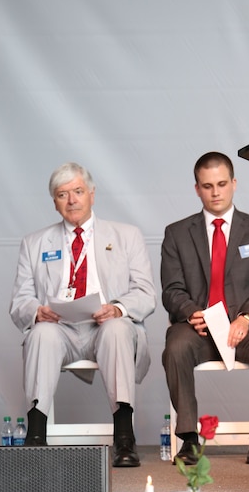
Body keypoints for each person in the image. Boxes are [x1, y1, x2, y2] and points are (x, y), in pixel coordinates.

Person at [10, 161, 156, 467]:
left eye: (78, 191)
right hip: (60, 328)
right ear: (54, 202)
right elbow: (20, 300)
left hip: (105, 326)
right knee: (40, 333)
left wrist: (117, 307)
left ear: (91, 193)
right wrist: (37, 311)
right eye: (63, 194)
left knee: (117, 328)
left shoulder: (126, 235)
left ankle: (125, 437)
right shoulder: (35, 243)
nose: (72, 200)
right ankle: (36, 435)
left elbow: (145, 293)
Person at [161, 151, 249, 465]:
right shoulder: (176, 233)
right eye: (207, 186)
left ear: (234, 183)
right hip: (196, 327)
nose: (215, 192)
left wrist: (246, 316)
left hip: (245, 326)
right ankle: (188, 439)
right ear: (197, 189)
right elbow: (171, 290)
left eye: (220, 184)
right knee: (175, 347)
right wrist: (191, 312)